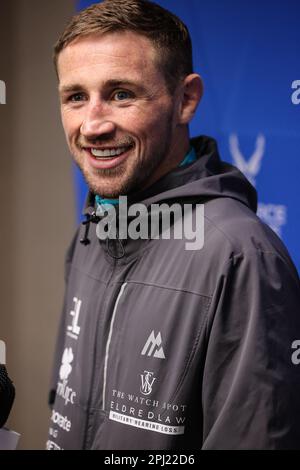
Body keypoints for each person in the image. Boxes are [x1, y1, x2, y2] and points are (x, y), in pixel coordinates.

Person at [47, 0, 300, 450]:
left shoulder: (240, 256)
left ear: (185, 100)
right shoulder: (93, 228)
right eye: (76, 97)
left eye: (122, 93)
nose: (92, 124)